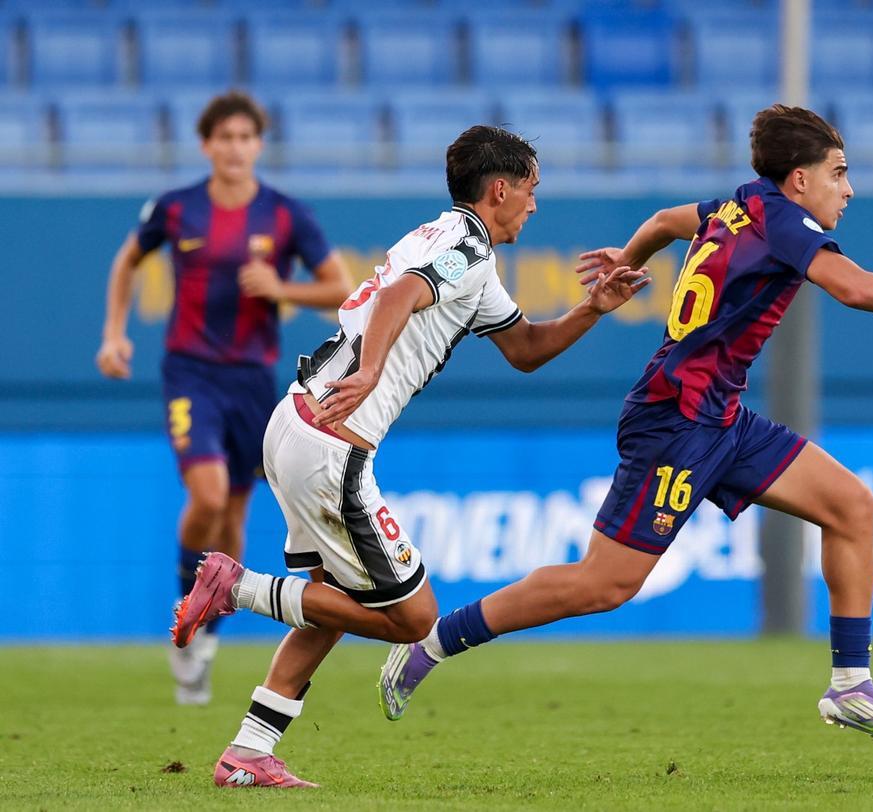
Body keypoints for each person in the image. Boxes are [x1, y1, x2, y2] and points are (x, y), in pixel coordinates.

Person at [371, 104, 873, 746]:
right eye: (839, 173)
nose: (849, 188)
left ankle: (850, 684)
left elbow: (660, 222)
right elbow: (857, 289)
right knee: (604, 584)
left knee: (852, 506)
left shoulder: (741, 205)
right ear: (799, 180)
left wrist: (626, 258)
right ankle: (436, 640)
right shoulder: (786, 223)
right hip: (677, 417)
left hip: (719, 414)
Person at [171, 125, 649, 788]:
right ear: (500, 189)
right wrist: (369, 371)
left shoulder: (445, 242)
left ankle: (249, 750)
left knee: (333, 602)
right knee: (413, 619)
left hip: (298, 423)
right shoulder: (464, 247)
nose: (535, 205)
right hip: (332, 442)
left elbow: (527, 349)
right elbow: (400, 297)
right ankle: (237, 587)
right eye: (532, 190)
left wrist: (593, 308)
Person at [95, 90, 352, 706]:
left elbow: (341, 287)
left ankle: (203, 634)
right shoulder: (178, 208)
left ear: (259, 145)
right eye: (225, 138)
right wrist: (113, 335)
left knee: (233, 514)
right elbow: (127, 261)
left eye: (246, 137)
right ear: (206, 144)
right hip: (191, 373)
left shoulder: (287, 215)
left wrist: (279, 286)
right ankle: (188, 601)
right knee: (206, 494)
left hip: (251, 379)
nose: (236, 148)